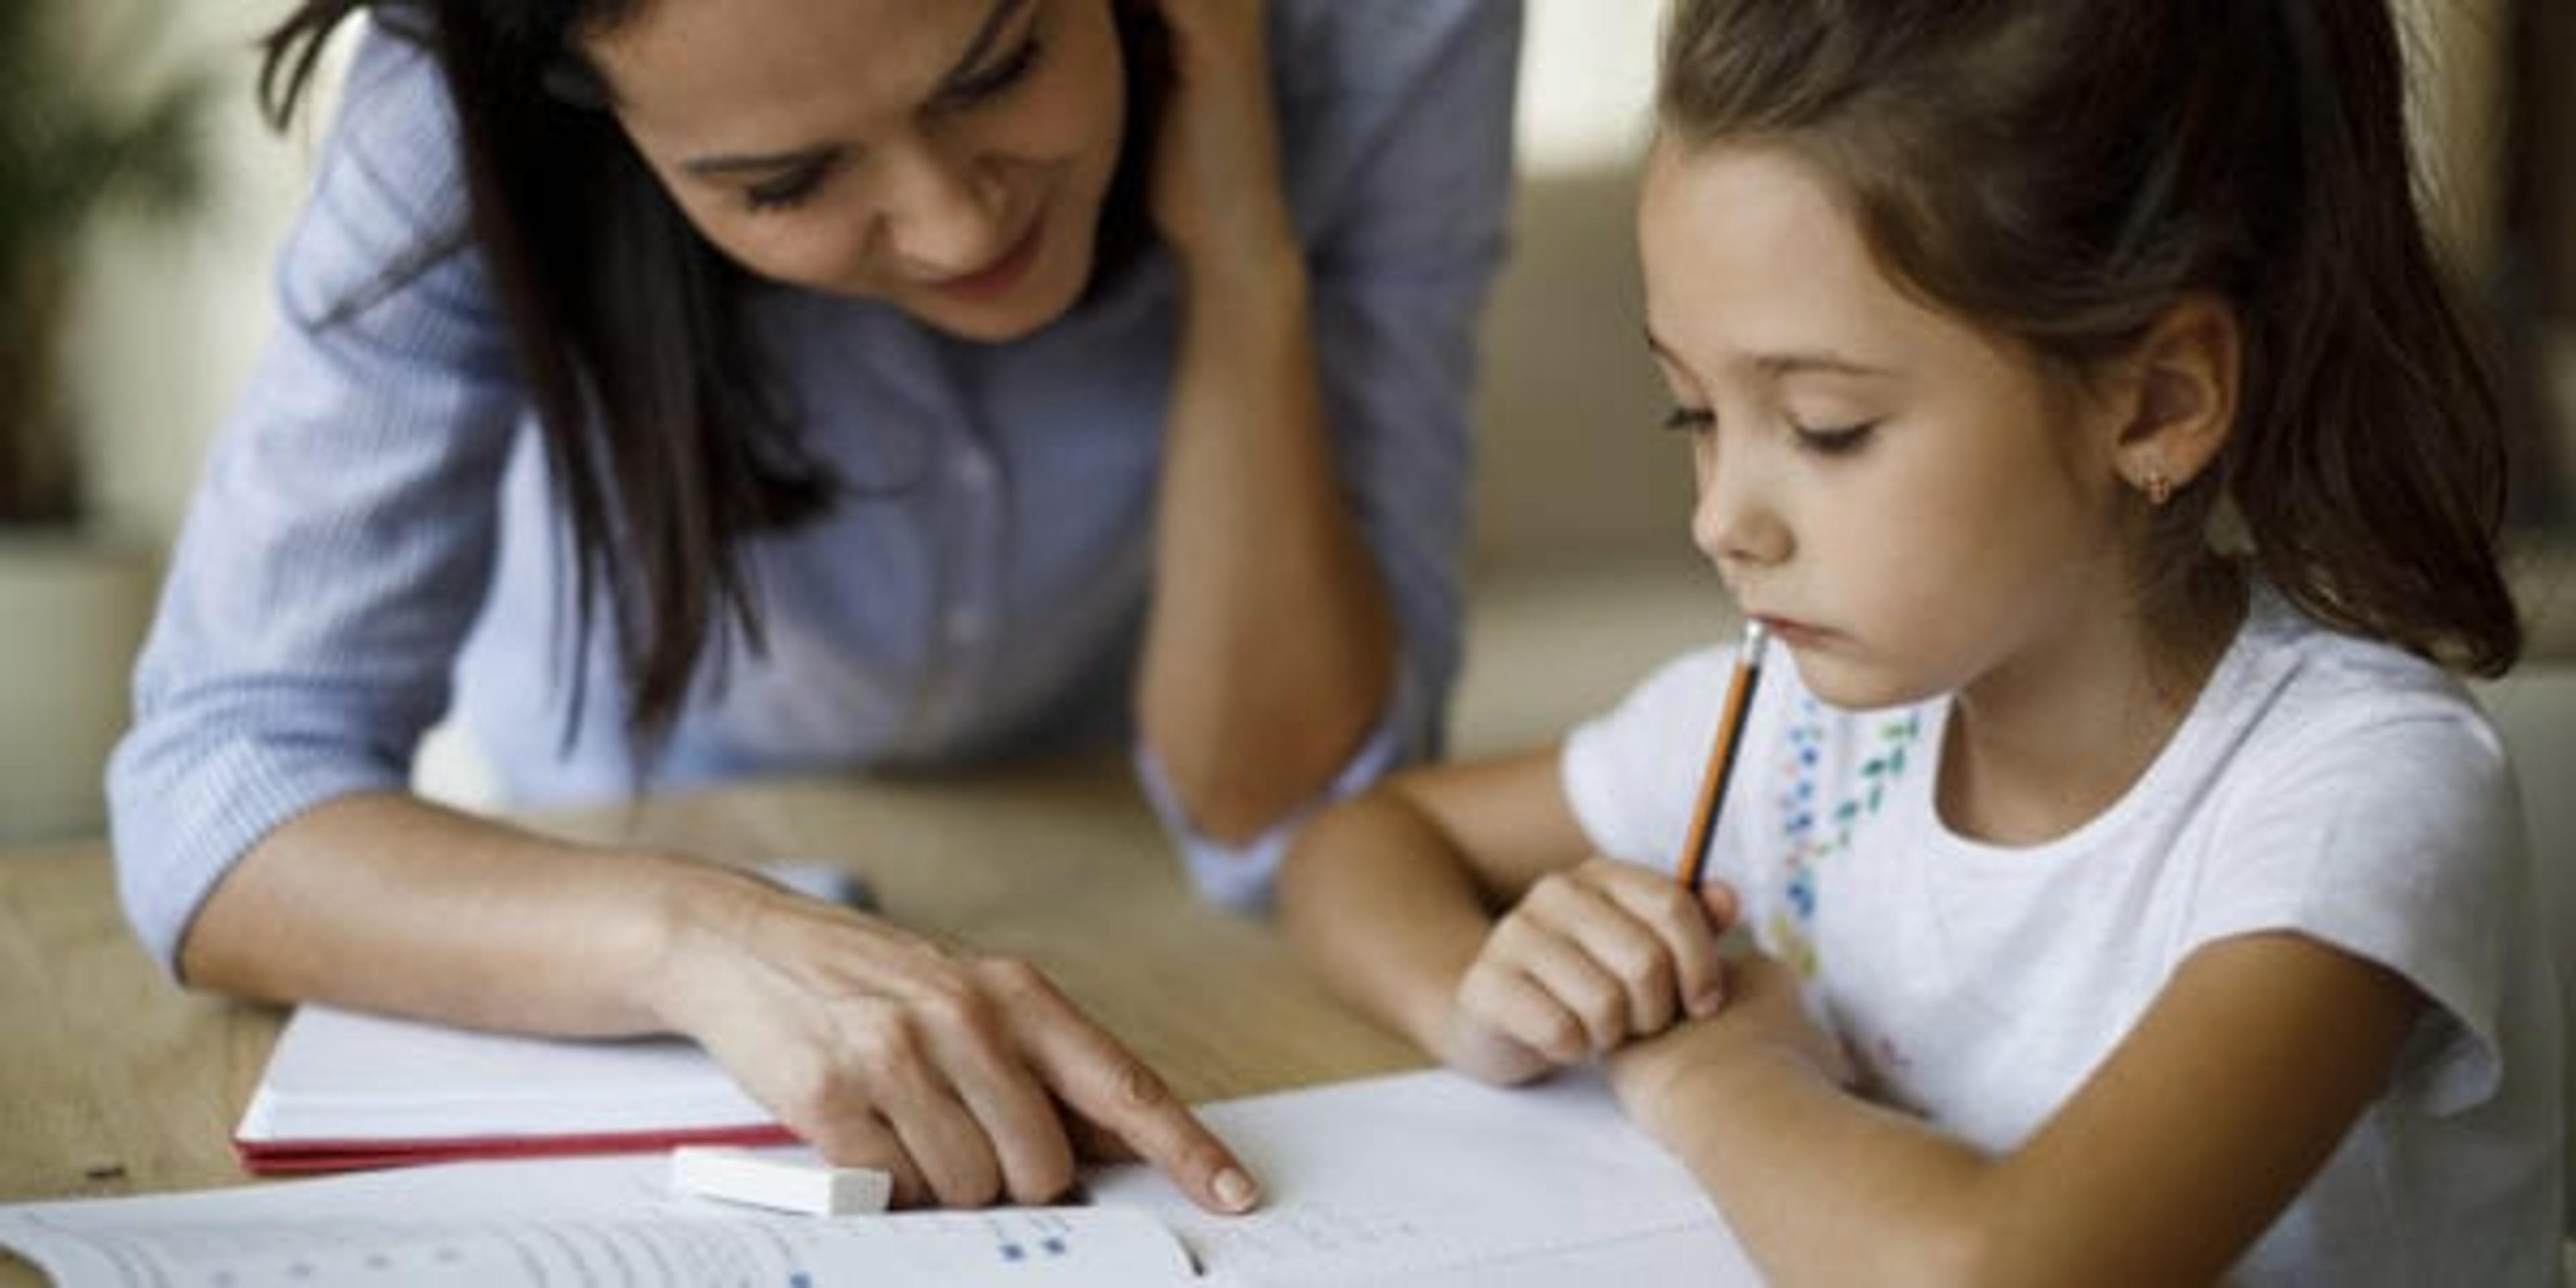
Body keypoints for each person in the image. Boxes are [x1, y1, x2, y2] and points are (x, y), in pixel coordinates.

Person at [109, 0, 1520, 1213]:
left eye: (1002, 66)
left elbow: (1292, 808)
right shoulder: (451, 88)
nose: (958, 223)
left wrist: (1245, 246)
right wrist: (695, 941)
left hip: (1123, 858)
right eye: (782, 182)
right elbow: (217, 787)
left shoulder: (1388, 32)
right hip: (637, 835)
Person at [1279, 0, 2564, 1279]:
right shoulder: (1803, 731)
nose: (1723, 520)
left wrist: (1713, 1069)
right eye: (1695, 417)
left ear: (2161, 402)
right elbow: (1355, 847)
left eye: (1827, 428)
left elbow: (2002, 1271)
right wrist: (1496, 994)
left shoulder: (2352, 795)